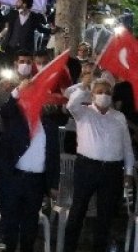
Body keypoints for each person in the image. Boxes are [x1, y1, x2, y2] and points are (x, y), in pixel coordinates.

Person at [62, 79, 133, 252]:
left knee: (106, 215)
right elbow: (71, 104)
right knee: (78, 210)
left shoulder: (119, 117)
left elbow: (127, 146)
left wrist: (129, 172)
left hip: (112, 170)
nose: (104, 95)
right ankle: (69, 248)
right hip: (87, 167)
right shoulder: (83, 112)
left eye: (107, 92)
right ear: (92, 95)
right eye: (100, 92)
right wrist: (83, 86)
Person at [0, 81, 59, 252]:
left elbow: (53, 156)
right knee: (10, 224)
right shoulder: (14, 118)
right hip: (13, 178)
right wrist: (17, 91)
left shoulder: (50, 126)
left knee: (30, 225)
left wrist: (53, 184)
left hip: (36, 181)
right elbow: (5, 110)